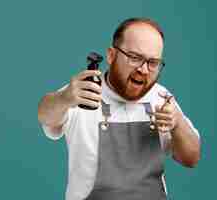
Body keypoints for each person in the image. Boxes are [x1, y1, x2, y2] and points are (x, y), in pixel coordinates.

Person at [38, 17, 201, 200]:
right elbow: (45, 115)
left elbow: (191, 158)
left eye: (153, 62)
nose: (144, 70)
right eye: (134, 58)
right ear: (111, 55)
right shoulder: (84, 93)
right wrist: (64, 98)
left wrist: (177, 123)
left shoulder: (161, 98)